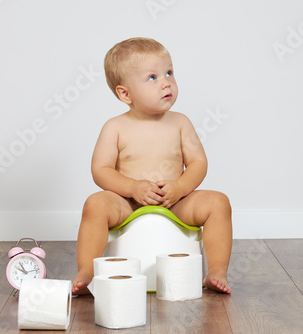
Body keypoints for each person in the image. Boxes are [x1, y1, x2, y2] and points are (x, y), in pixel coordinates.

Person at [72, 37, 232, 295]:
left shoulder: (180, 122)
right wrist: (132, 187)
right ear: (125, 94)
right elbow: (101, 170)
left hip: (175, 202)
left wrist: (180, 187)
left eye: (169, 72)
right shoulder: (115, 127)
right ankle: (86, 271)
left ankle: (216, 269)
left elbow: (198, 163)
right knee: (95, 204)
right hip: (128, 204)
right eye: (152, 78)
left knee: (218, 202)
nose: (166, 82)